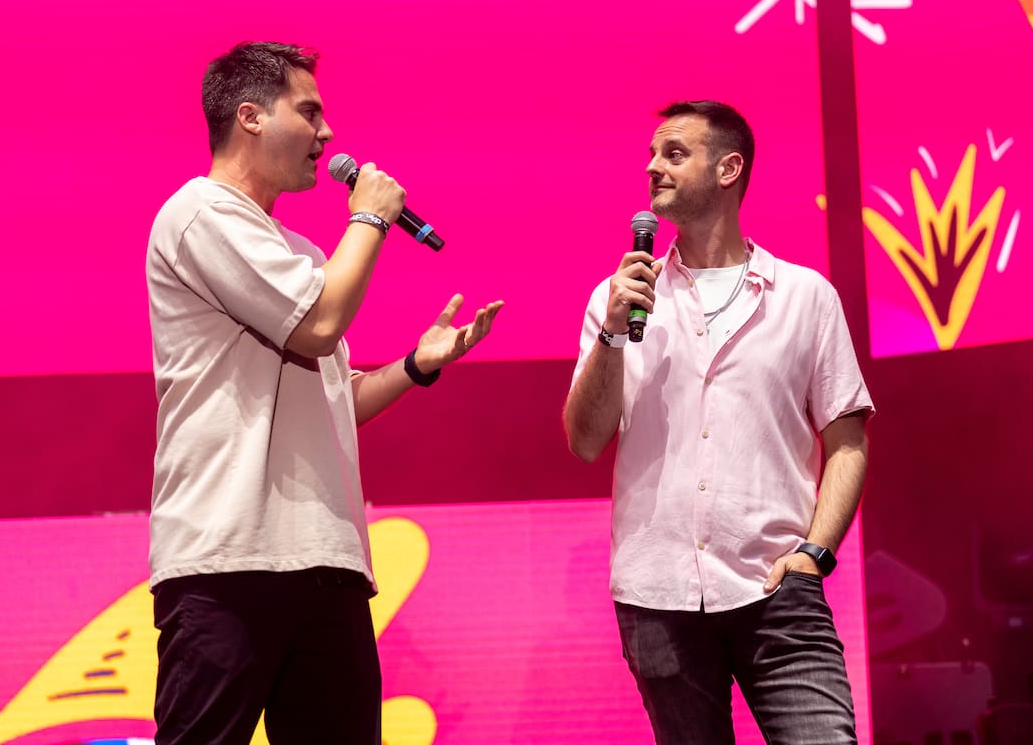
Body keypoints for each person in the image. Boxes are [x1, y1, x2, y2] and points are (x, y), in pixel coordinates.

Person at [145, 41, 502, 745]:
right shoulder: (199, 212)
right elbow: (319, 325)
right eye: (309, 112)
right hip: (228, 562)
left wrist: (417, 365)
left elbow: (337, 396)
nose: (328, 135)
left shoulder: (299, 253)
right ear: (249, 116)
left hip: (327, 564)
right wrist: (368, 216)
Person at [563, 100, 873, 744]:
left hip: (778, 588)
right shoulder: (617, 297)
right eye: (651, 155)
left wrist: (816, 554)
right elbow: (584, 440)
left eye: (674, 154)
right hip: (658, 592)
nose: (653, 168)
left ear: (729, 169)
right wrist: (615, 334)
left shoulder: (805, 295)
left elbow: (847, 441)